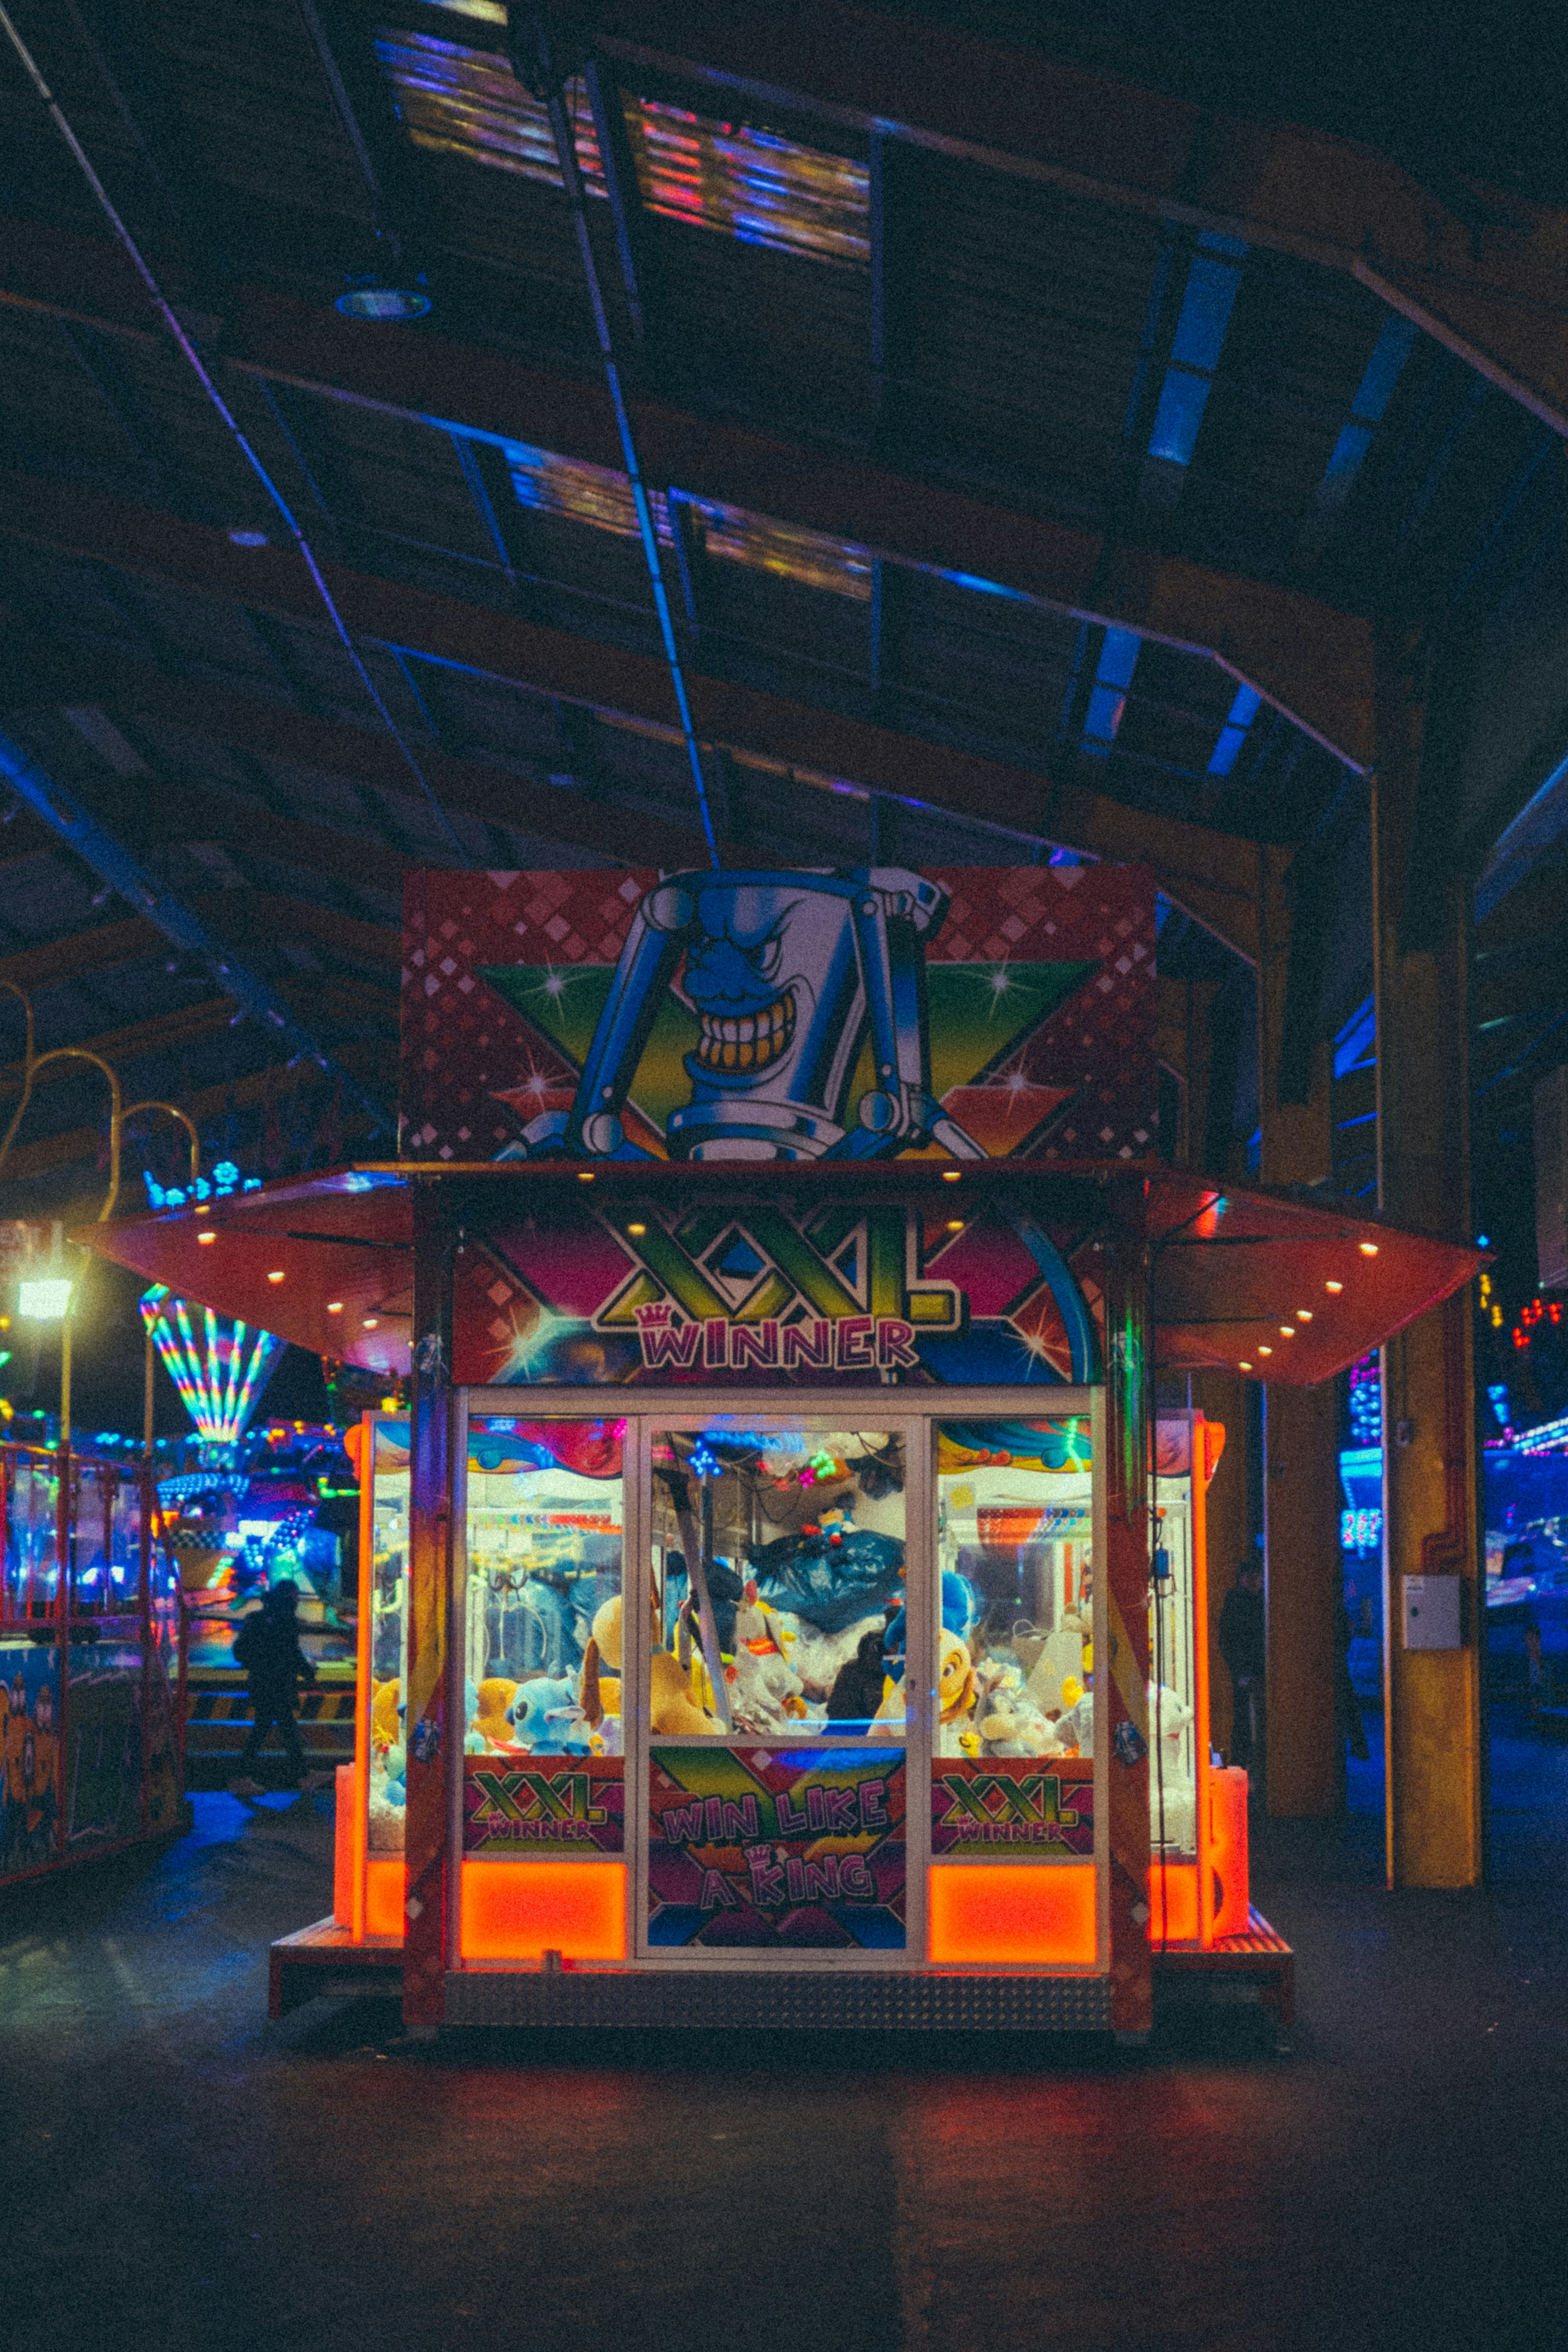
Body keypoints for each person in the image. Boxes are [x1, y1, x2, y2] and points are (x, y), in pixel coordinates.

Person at [231, 1580, 322, 1794]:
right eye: (296, 1596)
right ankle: (242, 1777)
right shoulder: (286, 1620)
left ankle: (302, 1776)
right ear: (289, 1597)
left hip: (261, 1682)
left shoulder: (259, 1618)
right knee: (276, 1728)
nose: (298, 1600)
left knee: (277, 1727)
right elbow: (293, 1653)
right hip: (279, 1683)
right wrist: (310, 1676)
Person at [1219, 1559, 1266, 1793]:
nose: (1256, 1582)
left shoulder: (1242, 1599)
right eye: (1251, 1577)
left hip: (1254, 1670)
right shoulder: (1242, 1600)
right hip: (1246, 1671)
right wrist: (1238, 1670)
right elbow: (1227, 1640)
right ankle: (1243, 1771)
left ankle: (1248, 1773)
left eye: (1258, 1577)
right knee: (1244, 1724)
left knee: (1251, 1724)